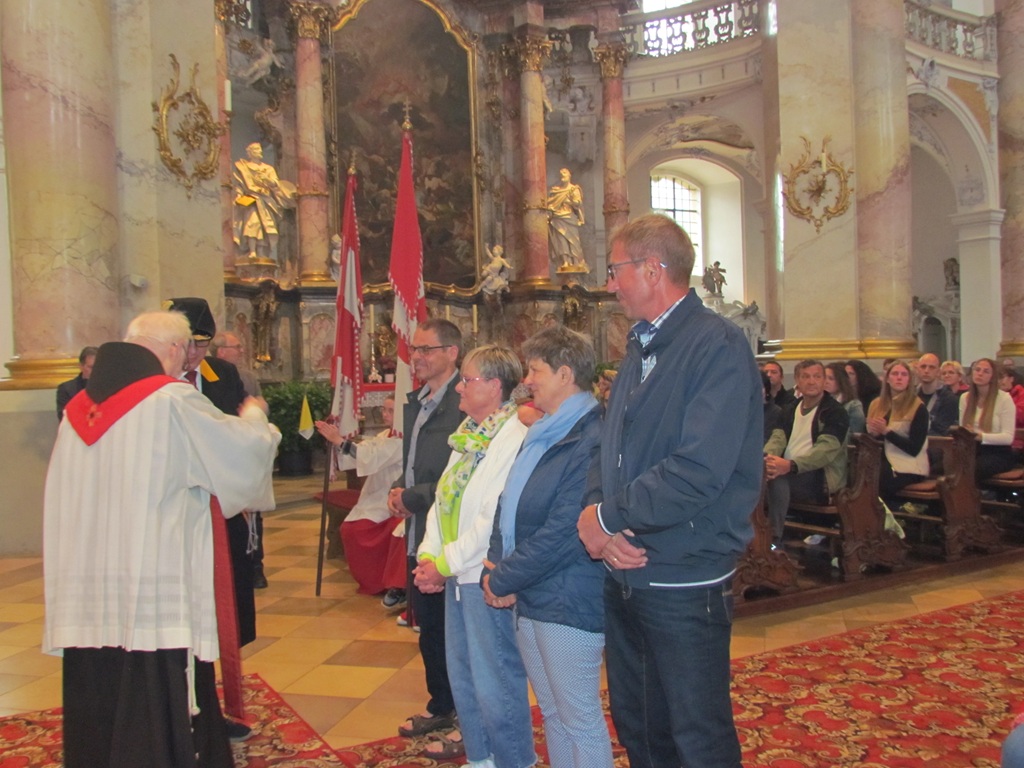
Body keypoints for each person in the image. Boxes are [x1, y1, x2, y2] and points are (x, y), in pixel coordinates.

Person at [43, 311, 280, 768]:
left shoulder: (77, 411)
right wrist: (256, 417)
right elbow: (238, 455)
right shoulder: (170, 400)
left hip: (90, 583)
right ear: (174, 349)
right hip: (151, 577)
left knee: (100, 680)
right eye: (187, 351)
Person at [577, 214, 762, 768]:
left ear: (653, 270)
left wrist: (607, 520)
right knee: (640, 724)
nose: (610, 284)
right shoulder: (640, 345)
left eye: (616, 270)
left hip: (683, 572)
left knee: (696, 735)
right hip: (627, 567)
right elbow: (608, 446)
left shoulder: (717, 345)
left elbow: (698, 469)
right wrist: (599, 515)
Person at [483, 326, 612, 768]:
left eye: (535, 370)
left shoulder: (591, 435)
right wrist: (497, 563)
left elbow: (566, 530)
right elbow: (509, 501)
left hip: (569, 596)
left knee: (580, 719)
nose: (527, 380)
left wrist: (503, 576)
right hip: (535, 591)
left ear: (564, 374)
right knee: (554, 715)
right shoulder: (546, 431)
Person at [414, 345, 534, 767]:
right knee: (464, 676)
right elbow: (443, 498)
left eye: (468, 380)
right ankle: (481, 758)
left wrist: (444, 564)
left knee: (495, 680)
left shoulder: (512, 437)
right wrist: (429, 555)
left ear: (495, 386)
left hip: (482, 575)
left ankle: (513, 761)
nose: (460, 388)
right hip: (455, 574)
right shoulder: (469, 433)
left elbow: (491, 517)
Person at [386, 318, 465, 742]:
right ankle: (441, 705)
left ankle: (464, 711)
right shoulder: (418, 400)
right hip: (421, 530)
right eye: (414, 349)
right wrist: (400, 489)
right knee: (430, 628)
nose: (416, 357)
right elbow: (416, 459)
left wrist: (414, 496)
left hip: (451, 536)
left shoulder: (463, 402)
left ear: (452, 352)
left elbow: (463, 478)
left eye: (425, 349)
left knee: (455, 631)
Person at [315, 397, 406, 596]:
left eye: (391, 411)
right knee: (349, 528)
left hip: (392, 497)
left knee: (362, 530)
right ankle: (372, 581)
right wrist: (338, 443)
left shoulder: (404, 439)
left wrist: (340, 441)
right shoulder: (384, 434)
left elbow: (372, 456)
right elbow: (366, 450)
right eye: (384, 410)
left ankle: (384, 582)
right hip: (375, 496)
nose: (385, 414)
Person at [764, 360, 850, 545]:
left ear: (823, 380)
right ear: (797, 381)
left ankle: (773, 539)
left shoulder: (835, 412)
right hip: (788, 470)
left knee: (776, 479)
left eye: (817, 377)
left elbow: (824, 451)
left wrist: (791, 465)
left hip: (820, 477)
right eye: (806, 377)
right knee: (758, 474)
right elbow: (777, 439)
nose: (812, 381)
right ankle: (749, 536)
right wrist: (767, 459)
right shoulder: (789, 409)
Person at [865, 360, 930, 511]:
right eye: (895, 374)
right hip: (882, 460)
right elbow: (869, 436)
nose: (899, 378)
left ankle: (896, 513)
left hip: (908, 464)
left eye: (904, 374)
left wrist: (886, 432)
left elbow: (914, 448)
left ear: (909, 380)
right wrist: (873, 434)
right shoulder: (876, 404)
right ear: (887, 379)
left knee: (879, 479)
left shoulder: (918, 407)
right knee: (861, 475)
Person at [233, 142, 296, 263]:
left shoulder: (268, 168)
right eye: (257, 150)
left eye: (261, 149)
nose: (260, 152)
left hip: (266, 201)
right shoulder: (243, 167)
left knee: (265, 226)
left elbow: (276, 184)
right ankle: (252, 251)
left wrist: (267, 180)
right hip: (251, 200)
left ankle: (261, 251)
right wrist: (239, 196)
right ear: (250, 153)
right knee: (253, 223)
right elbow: (239, 185)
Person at [960, 358, 1018, 482]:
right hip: (973, 449)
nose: (980, 373)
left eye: (986, 371)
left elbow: (1008, 437)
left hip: (998, 453)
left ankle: (977, 493)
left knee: (973, 468)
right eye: (977, 370)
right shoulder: (965, 398)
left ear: (993, 377)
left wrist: (980, 436)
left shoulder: (1004, 399)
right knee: (945, 465)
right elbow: (962, 429)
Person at [547, 168, 586, 271]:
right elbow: (549, 203)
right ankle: (565, 261)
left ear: (569, 175)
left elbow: (577, 204)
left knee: (574, 240)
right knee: (561, 241)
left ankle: (576, 261)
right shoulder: (556, 190)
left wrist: (573, 201)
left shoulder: (574, 189)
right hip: (557, 218)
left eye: (564, 173)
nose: (562, 175)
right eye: (561, 174)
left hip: (569, 217)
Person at [212, 331, 261, 397]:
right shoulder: (207, 377)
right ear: (221, 351)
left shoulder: (249, 378)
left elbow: (259, 400)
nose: (242, 351)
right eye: (237, 347)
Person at [56, 346, 98, 420]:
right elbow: (64, 418)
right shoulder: (66, 389)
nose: (96, 371)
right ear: (81, 366)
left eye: (98, 367)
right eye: (91, 367)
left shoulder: (110, 388)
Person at [824, 362, 865, 435]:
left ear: (841, 381)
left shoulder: (853, 406)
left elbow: (855, 434)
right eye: (824, 378)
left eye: (831, 379)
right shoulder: (819, 402)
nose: (826, 382)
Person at [998, 366, 1024, 455]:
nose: (999, 381)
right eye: (997, 378)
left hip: (1016, 442)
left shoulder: (1021, 393)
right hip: (993, 440)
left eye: (1002, 377)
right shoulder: (992, 396)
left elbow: (1021, 416)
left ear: (1011, 379)